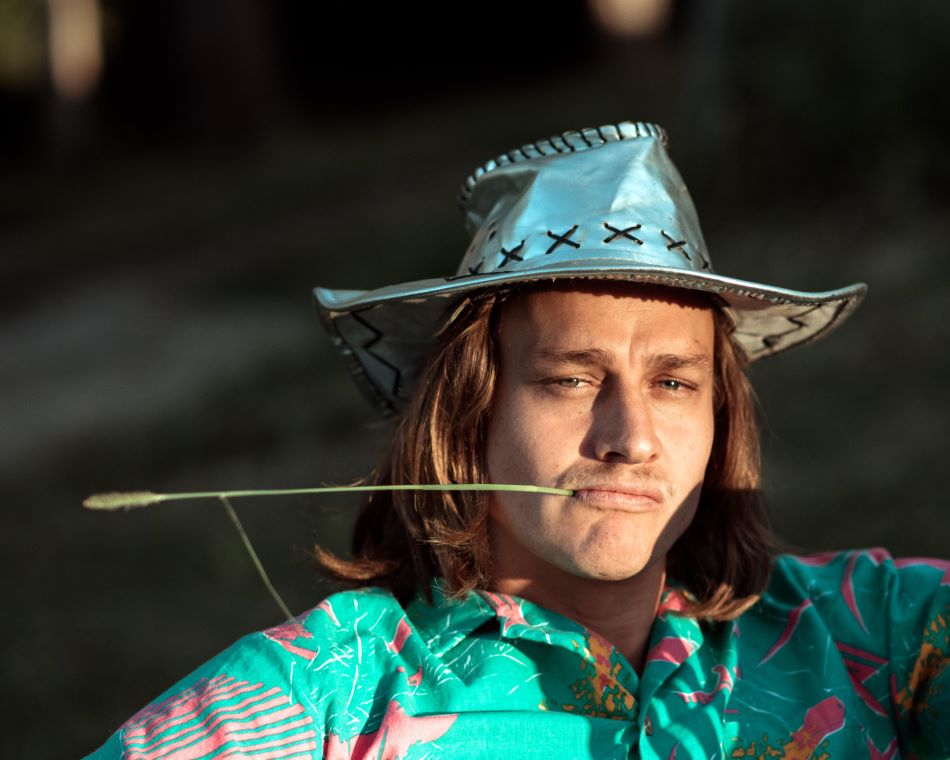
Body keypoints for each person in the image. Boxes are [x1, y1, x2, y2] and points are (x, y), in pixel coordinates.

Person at [87, 121, 949, 759]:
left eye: (674, 383)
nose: (630, 439)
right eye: (570, 379)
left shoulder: (868, 630)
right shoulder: (322, 701)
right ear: (468, 410)